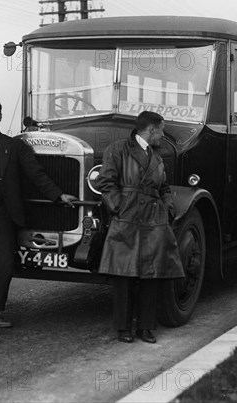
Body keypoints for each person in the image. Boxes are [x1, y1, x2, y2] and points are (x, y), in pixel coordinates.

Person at [0, 98, 77, 330]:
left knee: (6, 264)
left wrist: (58, 196)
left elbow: (36, 175)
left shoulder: (15, 147)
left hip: (3, 214)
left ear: (0, 116)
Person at [95, 111, 184, 344]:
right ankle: (123, 329)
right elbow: (105, 182)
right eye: (161, 130)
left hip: (153, 219)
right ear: (151, 130)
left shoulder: (157, 156)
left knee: (151, 275)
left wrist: (168, 208)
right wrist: (118, 207)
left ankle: (146, 327)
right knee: (123, 274)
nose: (162, 136)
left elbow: (163, 187)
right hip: (128, 217)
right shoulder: (118, 149)